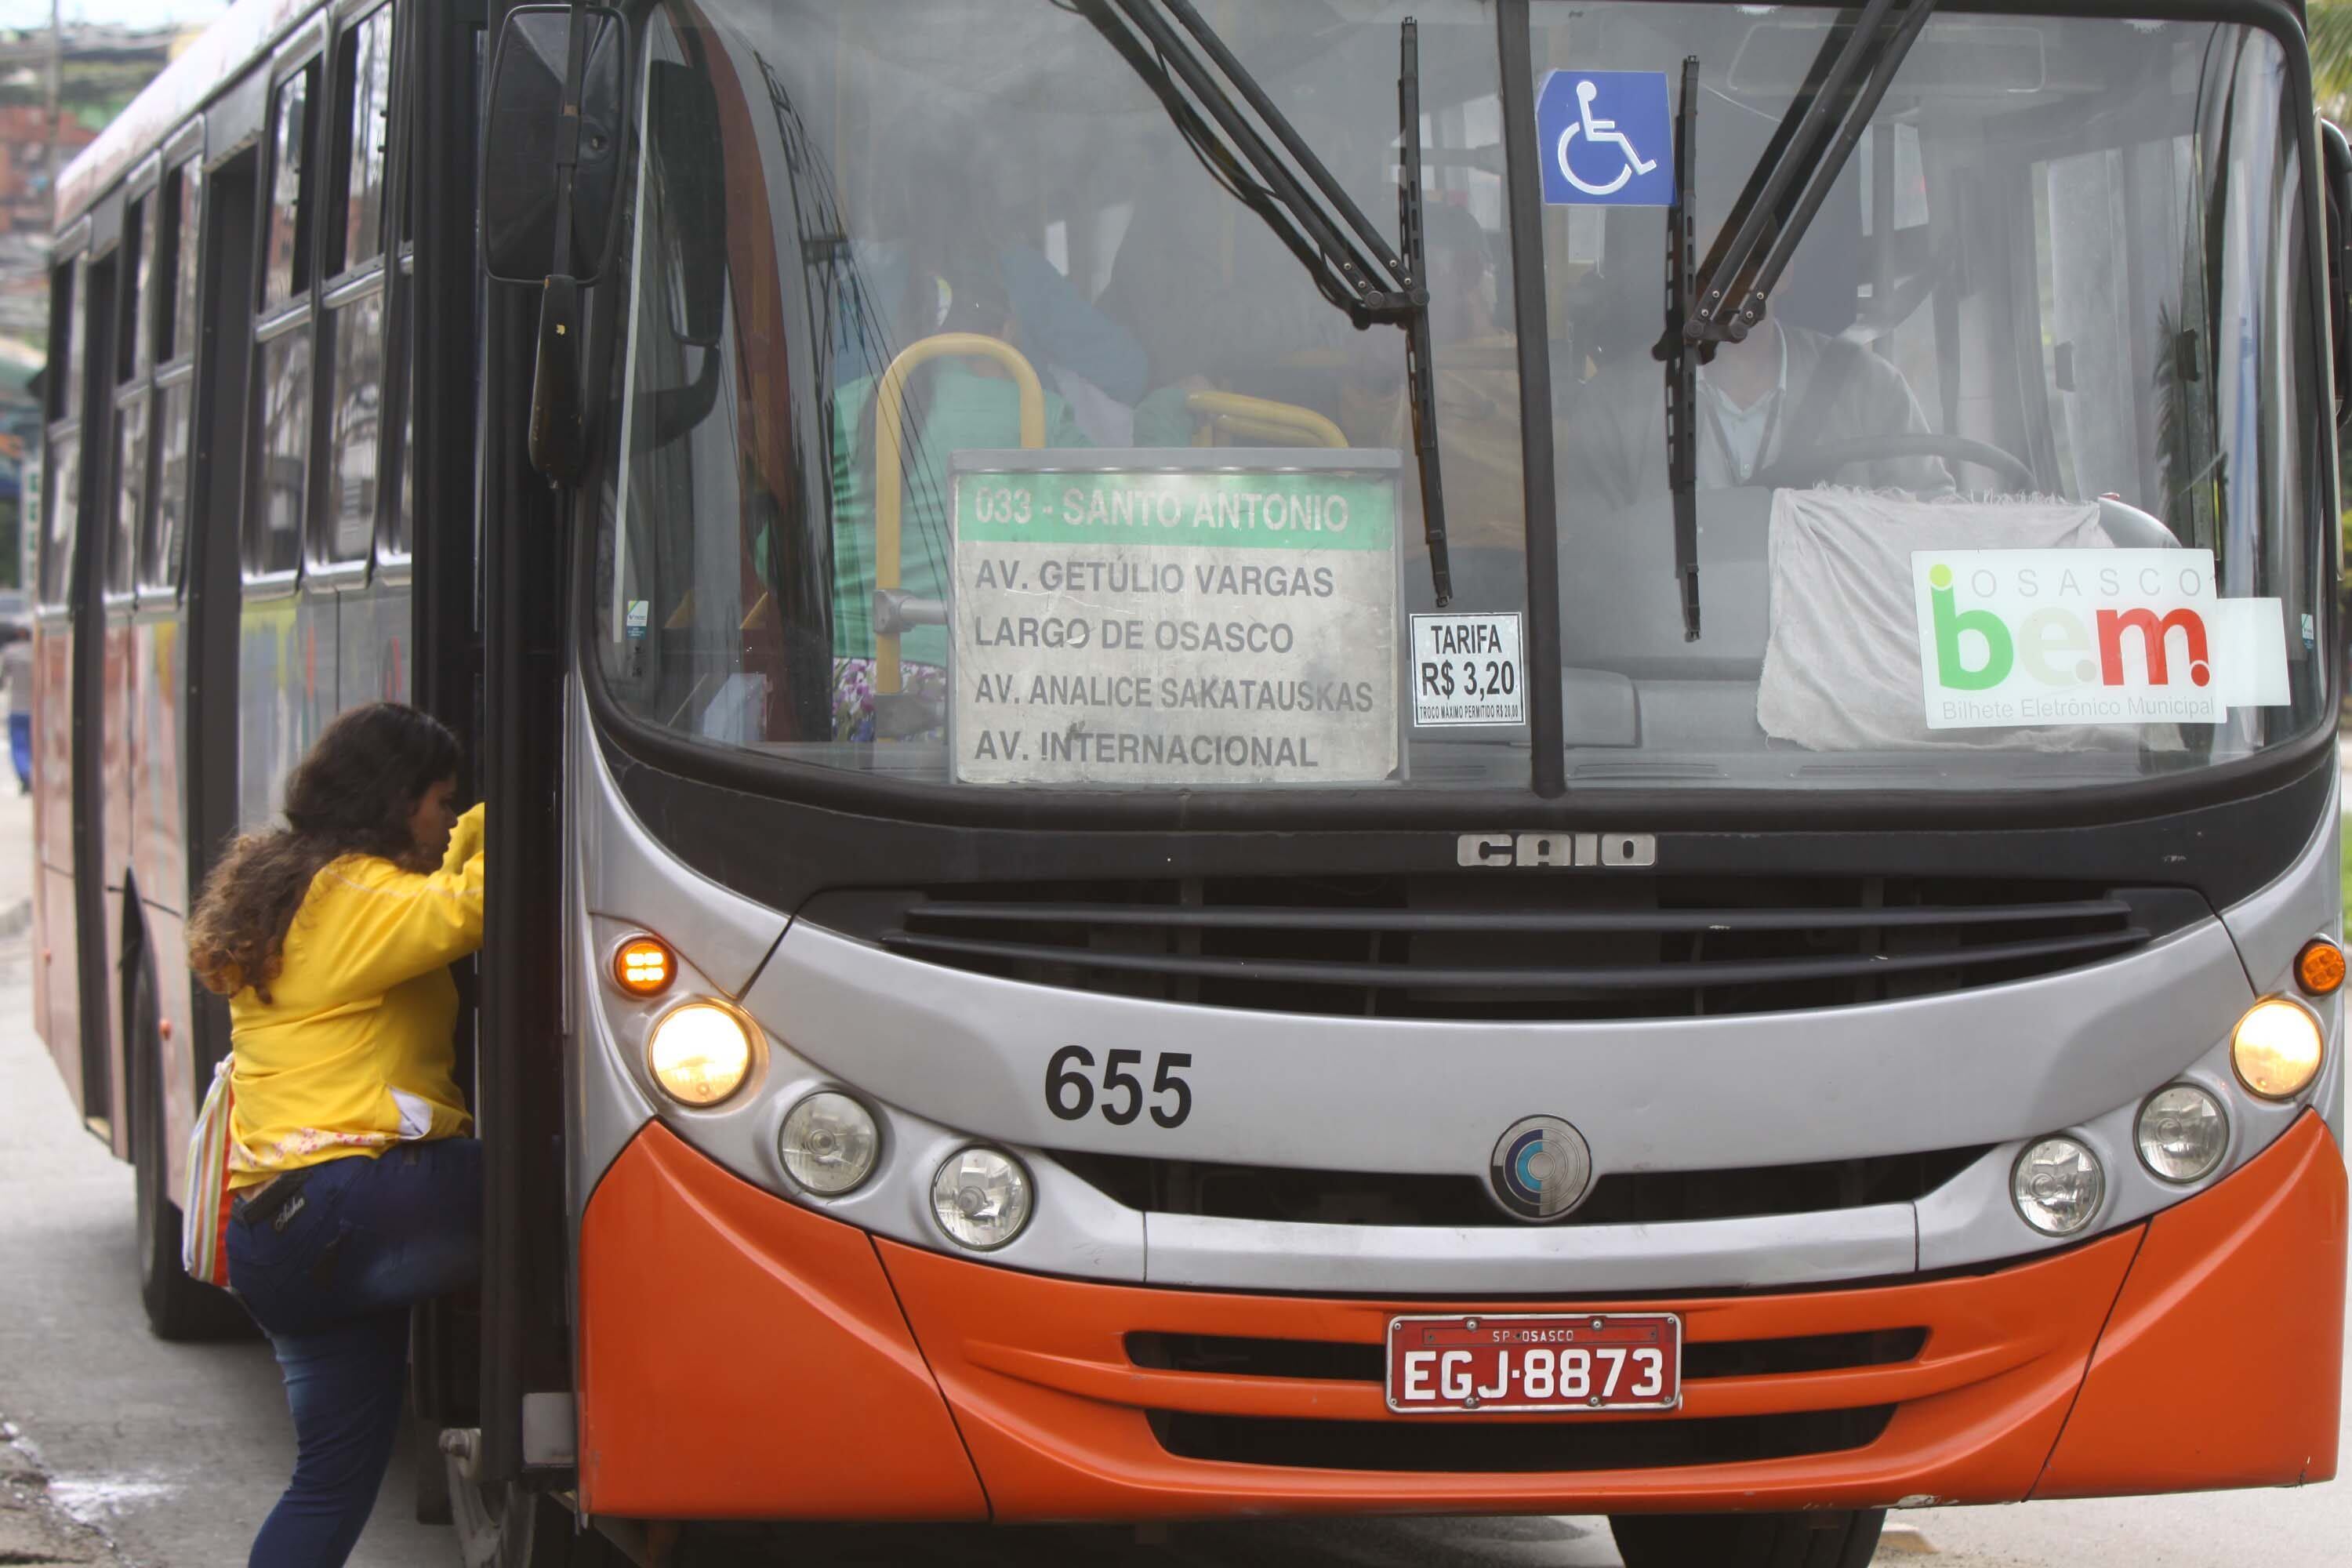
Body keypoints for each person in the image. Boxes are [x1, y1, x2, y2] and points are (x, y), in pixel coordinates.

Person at [185, 702, 485, 1568]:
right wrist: (534, 804)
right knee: (592, 1179)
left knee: (328, 1484)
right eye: (438, 803)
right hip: (347, 1201)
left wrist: (462, 831)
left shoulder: (294, 887)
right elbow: (466, 908)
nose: (439, 824)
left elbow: (436, 893)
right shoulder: (351, 892)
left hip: (274, 1238)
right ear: (397, 802)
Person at [2, 624, 31, 793]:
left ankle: (25, 774)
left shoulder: (10, 652)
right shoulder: (38, 651)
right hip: (38, 708)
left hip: (17, 707)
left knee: (19, 744)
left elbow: (2, 679)